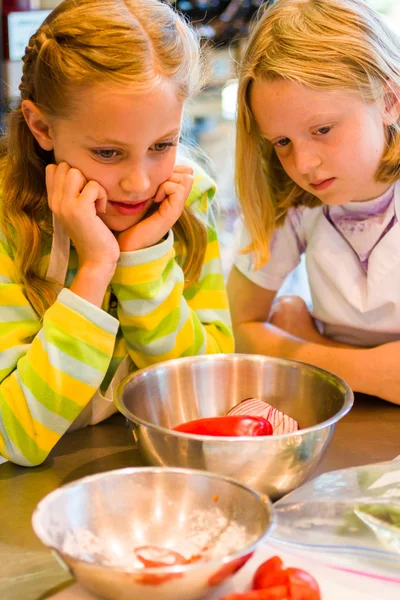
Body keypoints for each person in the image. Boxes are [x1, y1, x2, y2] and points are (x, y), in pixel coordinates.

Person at [0, 0, 234, 466]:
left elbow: (209, 397)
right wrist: (96, 268)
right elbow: (12, 436)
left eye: (162, 146)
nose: (139, 183)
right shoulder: (8, 224)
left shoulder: (187, 201)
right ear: (41, 126)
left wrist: (142, 261)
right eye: (108, 152)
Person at [228, 0, 400, 405]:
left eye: (322, 129)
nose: (303, 165)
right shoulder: (291, 199)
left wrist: (302, 343)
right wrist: (367, 371)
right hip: (341, 413)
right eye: (282, 142)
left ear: (389, 102)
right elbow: (237, 326)